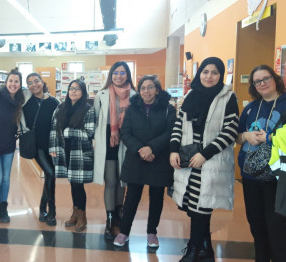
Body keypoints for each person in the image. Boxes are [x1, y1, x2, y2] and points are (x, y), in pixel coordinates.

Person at [169, 57, 239, 262]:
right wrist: (173, 150)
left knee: (201, 207)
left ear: (221, 75)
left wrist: (204, 154)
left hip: (210, 160)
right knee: (194, 206)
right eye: (205, 71)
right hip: (189, 160)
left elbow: (230, 131)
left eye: (215, 72)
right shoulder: (191, 95)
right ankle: (205, 247)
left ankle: (193, 249)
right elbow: (178, 125)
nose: (209, 76)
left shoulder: (228, 97)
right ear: (200, 73)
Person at [112, 76, 176, 247]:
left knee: (156, 198)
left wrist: (152, 148)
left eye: (150, 87)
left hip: (159, 158)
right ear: (139, 91)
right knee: (131, 197)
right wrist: (141, 150)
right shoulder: (132, 109)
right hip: (136, 158)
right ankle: (124, 232)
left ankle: (152, 232)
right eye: (143, 88)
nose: (146, 91)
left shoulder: (168, 109)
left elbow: (170, 132)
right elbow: (125, 132)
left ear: (157, 89)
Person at [236, 64, 286, 261]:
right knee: (256, 224)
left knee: (277, 226)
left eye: (266, 79)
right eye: (257, 81)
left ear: (275, 79)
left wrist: (268, 138)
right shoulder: (251, 108)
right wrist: (246, 135)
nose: (262, 84)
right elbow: (237, 137)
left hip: (278, 178)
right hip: (250, 177)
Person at [93, 61, 136, 239]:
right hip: (108, 143)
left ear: (128, 75)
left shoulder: (135, 96)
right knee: (111, 181)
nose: (119, 76)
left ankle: (119, 215)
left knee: (122, 181)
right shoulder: (101, 95)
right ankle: (110, 219)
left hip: (127, 143)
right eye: (115, 72)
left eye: (122, 72)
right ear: (111, 75)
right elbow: (96, 119)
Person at [49, 80, 95, 232]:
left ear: (83, 92)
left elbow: (89, 133)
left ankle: (82, 216)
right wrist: (53, 146)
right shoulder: (61, 107)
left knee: (78, 185)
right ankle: (75, 213)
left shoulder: (88, 109)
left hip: (80, 153)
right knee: (72, 183)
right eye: (71, 89)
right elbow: (54, 129)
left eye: (77, 89)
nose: (73, 91)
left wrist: (69, 132)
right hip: (65, 151)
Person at [23, 73, 60, 226]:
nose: (34, 85)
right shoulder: (25, 102)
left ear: (42, 82)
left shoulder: (54, 101)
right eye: (30, 83)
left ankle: (42, 207)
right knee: (51, 174)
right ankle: (51, 210)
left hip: (51, 145)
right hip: (36, 146)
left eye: (36, 81)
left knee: (50, 175)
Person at [0, 69, 25, 224]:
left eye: (16, 81)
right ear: (6, 82)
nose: (13, 84)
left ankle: (3, 208)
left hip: (9, 145)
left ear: (20, 84)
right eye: (10, 81)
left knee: (6, 179)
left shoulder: (19, 100)